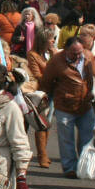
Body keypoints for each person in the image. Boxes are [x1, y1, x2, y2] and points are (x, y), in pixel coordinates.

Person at [38, 37, 95, 179]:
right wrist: (50, 99)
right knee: (66, 139)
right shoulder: (56, 61)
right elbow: (46, 82)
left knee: (88, 137)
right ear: (66, 50)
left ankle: (84, 167)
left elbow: (92, 77)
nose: (78, 56)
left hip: (85, 104)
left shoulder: (88, 57)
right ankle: (70, 168)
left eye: (80, 52)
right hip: (64, 105)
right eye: (74, 53)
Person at [26, 28, 59, 168]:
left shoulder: (53, 54)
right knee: (41, 123)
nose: (53, 41)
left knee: (49, 122)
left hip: (53, 90)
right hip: (41, 93)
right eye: (51, 39)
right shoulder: (33, 55)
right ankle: (42, 155)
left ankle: (44, 151)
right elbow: (37, 74)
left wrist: (53, 55)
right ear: (43, 40)